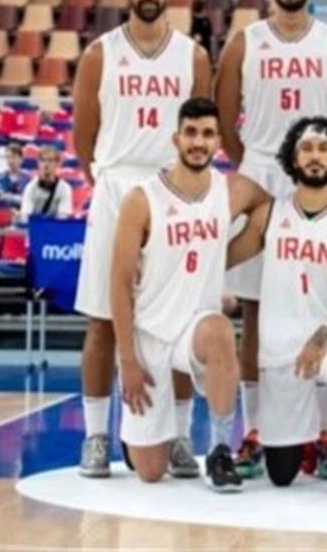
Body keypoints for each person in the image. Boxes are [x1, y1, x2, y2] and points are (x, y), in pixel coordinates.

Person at [214, 0, 327, 479]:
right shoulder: (245, 42)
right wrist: (256, 169)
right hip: (262, 172)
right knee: (256, 309)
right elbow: (225, 120)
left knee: (323, 303)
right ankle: (256, 429)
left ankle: (323, 432)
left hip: (317, 178)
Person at [72, 0, 212, 479]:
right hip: (116, 187)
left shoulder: (192, 56)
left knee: (180, 319)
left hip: (172, 190)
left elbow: (202, 128)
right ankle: (95, 436)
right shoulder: (99, 54)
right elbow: (83, 137)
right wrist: (108, 185)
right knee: (102, 319)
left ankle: (179, 436)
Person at [110, 98, 270, 491]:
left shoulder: (229, 190)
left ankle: (219, 449)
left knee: (220, 331)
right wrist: (127, 360)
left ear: (218, 142)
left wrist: (222, 258)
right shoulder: (142, 200)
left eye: (208, 134)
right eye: (191, 133)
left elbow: (266, 205)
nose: (199, 142)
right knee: (150, 472)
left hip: (195, 328)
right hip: (149, 333)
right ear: (176, 138)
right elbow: (118, 283)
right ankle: (145, 439)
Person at [225, 116, 327, 496]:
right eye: (306, 148)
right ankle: (303, 443)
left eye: (324, 149)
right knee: (280, 475)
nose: (315, 156)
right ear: (293, 159)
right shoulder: (270, 214)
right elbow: (224, 258)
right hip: (280, 355)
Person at [18, 146, 73, 222]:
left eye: (50, 160)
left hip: (55, 227)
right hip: (35, 226)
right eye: (43, 160)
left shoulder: (65, 188)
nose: (46, 164)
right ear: (38, 163)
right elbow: (26, 216)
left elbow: (63, 216)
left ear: (57, 164)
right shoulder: (30, 188)